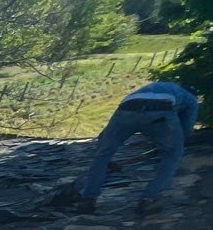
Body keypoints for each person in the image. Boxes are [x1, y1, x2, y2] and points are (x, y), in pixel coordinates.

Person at [80, 82, 200, 216]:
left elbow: (104, 136)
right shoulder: (191, 98)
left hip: (126, 109)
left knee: (102, 155)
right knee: (173, 155)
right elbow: (186, 128)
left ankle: (88, 200)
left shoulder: (158, 87)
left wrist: (104, 147)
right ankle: (149, 199)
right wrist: (174, 142)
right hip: (160, 111)